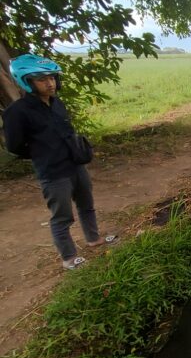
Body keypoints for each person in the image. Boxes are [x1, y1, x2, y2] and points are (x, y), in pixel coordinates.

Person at [3, 54, 112, 269]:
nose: (50, 83)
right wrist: (42, 153)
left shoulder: (57, 104)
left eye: (51, 78)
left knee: (86, 205)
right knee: (62, 216)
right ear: (27, 82)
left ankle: (93, 238)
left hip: (75, 164)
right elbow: (14, 146)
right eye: (42, 79)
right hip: (53, 172)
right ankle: (69, 258)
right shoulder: (17, 112)